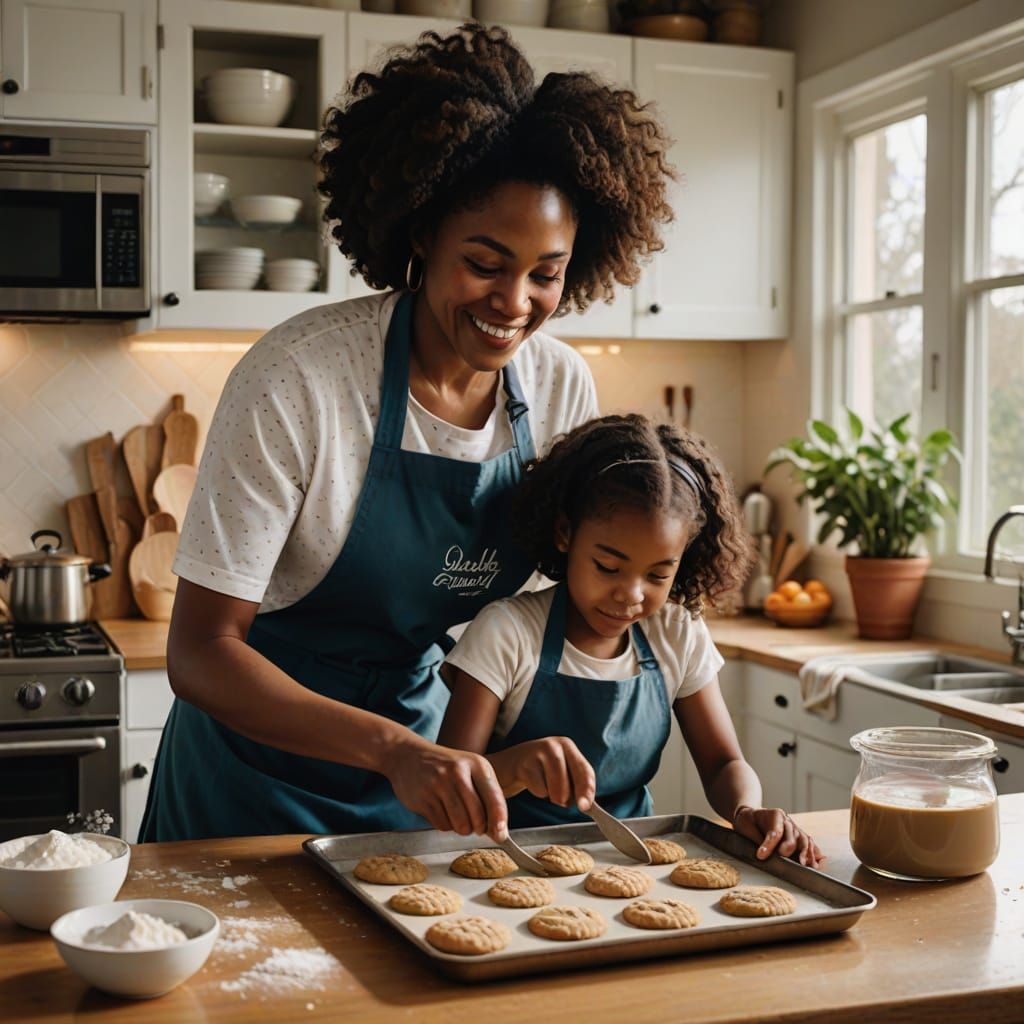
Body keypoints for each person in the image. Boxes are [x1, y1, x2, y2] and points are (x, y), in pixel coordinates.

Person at [139, 23, 675, 842]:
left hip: (420, 773)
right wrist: (392, 750)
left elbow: (561, 602)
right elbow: (202, 651)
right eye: (486, 264)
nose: (514, 303)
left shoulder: (560, 385)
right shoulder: (303, 377)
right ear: (422, 233)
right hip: (246, 781)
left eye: (546, 274)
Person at [439, 414, 825, 867]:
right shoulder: (507, 633)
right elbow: (449, 782)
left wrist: (745, 809)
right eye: (607, 566)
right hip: (505, 861)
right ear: (566, 534)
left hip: (633, 865)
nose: (631, 595)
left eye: (659, 574)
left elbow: (723, 764)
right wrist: (514, 768)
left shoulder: (676, 633)